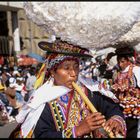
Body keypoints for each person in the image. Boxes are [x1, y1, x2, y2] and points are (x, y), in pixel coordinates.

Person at [10, 39, 126, 138]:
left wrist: (116, 120)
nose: (73, 73)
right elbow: (42, 134)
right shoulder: (42, 100)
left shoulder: (90, 90)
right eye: (66, 68)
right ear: (53, 72)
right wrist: (77, 130)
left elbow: (113, 109)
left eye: (76, 67)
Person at [111, 47, 140, 138]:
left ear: (129, 60)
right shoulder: (119, 72)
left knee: (132, 129)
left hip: (132, 106)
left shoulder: (136, 70)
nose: (120, 64)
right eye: (119, 61)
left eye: (123, 61)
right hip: (121, 106)